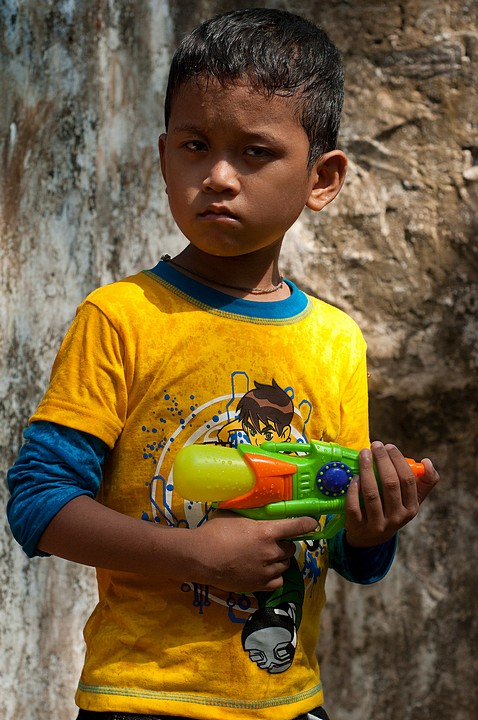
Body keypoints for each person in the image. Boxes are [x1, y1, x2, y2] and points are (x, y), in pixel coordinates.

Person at [6, 8, 439, 720]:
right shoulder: (122, 319)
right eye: (196, 145)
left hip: (289, 698)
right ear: (163, 154)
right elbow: (39, 504)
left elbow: (343, 546)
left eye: (255, 153)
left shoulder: (335, 343)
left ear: (322, 178)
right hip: (143, 699)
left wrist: (372, 526)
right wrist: (196, 556)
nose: (218, 177)